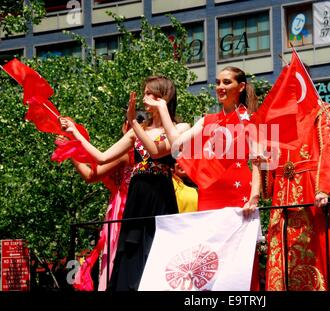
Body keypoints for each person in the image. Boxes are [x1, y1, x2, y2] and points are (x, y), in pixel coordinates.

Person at [60, 76, 189, 291]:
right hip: (137, 195)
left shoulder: (180, 127)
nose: (144, 98)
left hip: (160, 194)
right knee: (131, 250)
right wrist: (75, 135)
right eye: (145, 93)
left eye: (150, 93)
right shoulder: (136, 130)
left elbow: (157, 152)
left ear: (163, 96)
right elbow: (101, 157)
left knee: (160, 248)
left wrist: (136, 122)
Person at [148, 66, 262, 289]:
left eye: (227, 82)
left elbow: (258, 162)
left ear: (241, 87)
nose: (220, 87)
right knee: (209, 261)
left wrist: (254, 197)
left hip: (240, 198)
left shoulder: (251, 120)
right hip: (208, 197)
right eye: (218, 82)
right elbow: (176, 145)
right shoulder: (207, 120)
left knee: (241, 265)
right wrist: (163, 108)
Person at [263, 71, 330, 290]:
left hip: (311, 191)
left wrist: (324, 189)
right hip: (282, 195)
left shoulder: (321, 110)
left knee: (316, 252)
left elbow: (329, 150)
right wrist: (263, 163)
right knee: (283, 256)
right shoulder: (276, 118)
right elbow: (270, 161)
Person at [65, 111, 147, 291]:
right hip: (143, 207)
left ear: (126, 127)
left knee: (114, 255)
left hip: (122, 208)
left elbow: (90, 175)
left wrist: (70, 152)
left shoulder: (125, 153)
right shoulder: (148, 153)